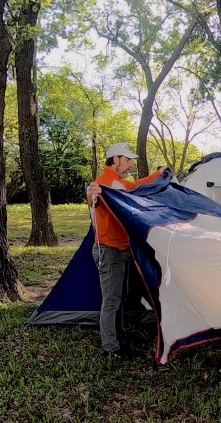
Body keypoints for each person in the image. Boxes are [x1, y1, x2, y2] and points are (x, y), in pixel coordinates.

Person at [87, 143, 168, 360]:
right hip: (109, 251)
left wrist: (157, 175)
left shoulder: (120, 183)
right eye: (128, 159)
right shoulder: (102, 183)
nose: (131, 163)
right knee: (112, 300)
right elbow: (94, 199)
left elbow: (135, 186)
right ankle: (111, 349)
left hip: (121, 249)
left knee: (120, 297)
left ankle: (118, 337)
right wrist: (91, 195)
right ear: (115, 159)